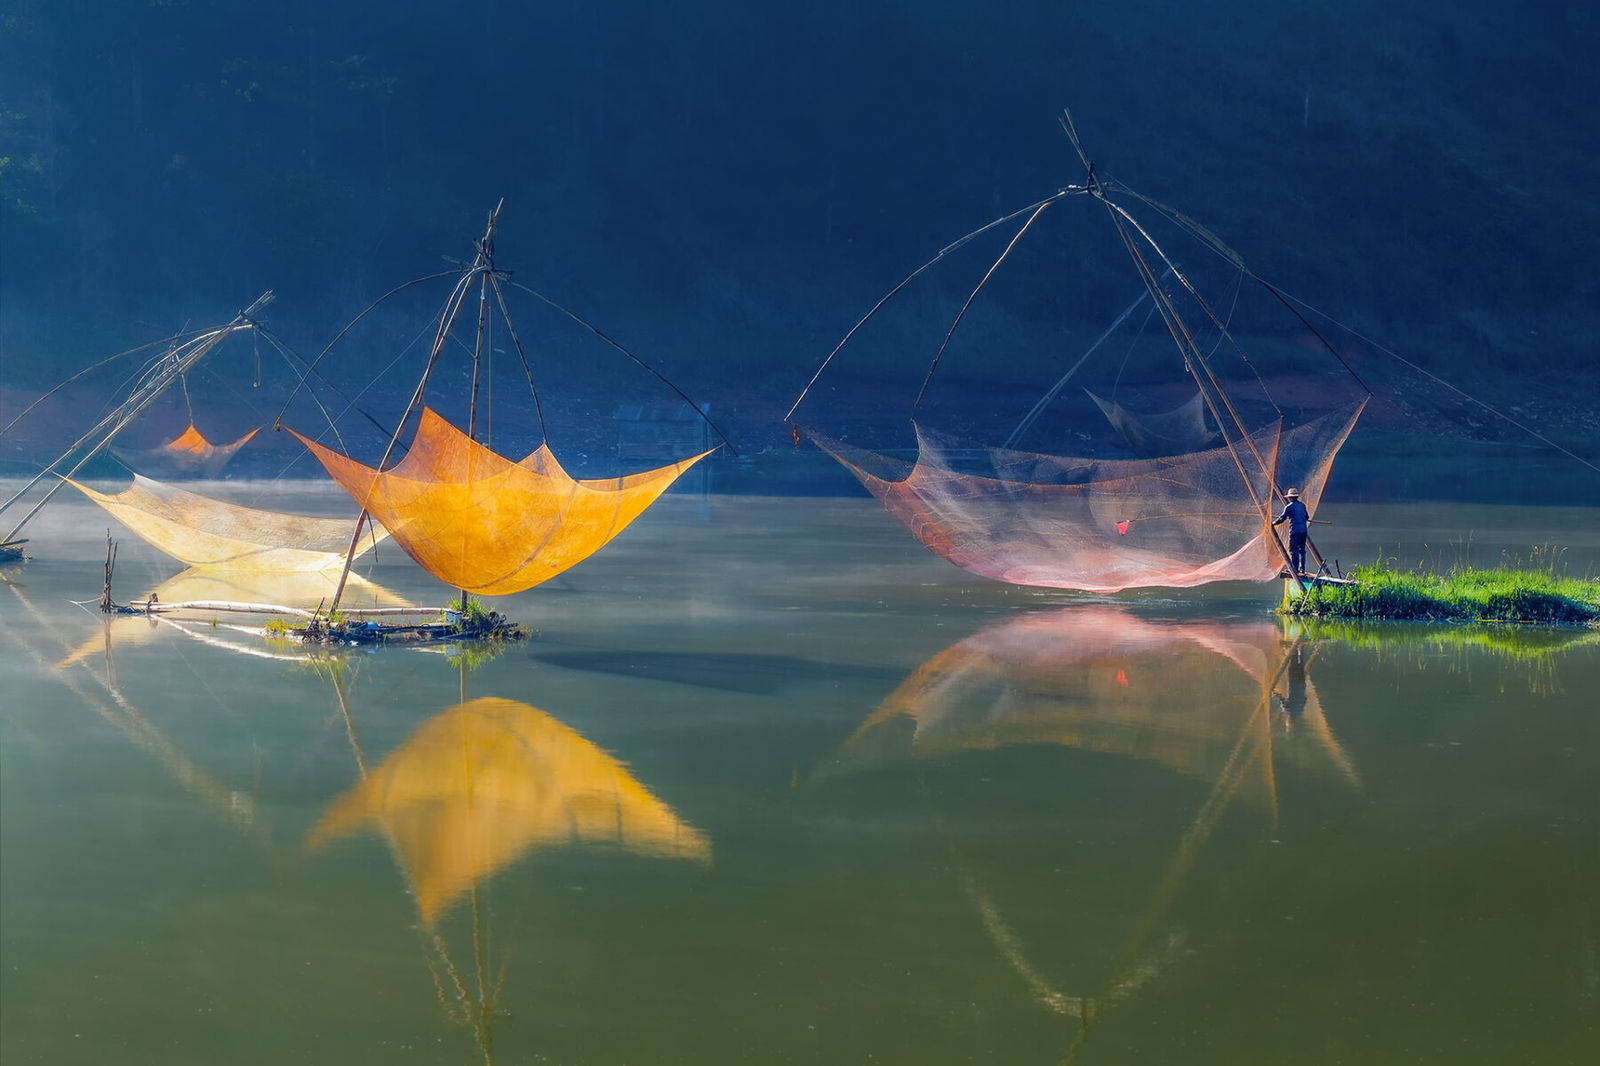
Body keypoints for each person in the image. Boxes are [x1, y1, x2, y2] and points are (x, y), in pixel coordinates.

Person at [1271, 488, 1310, 576]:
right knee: (1302, 550)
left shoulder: (1289, 507)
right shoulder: (1302, 505)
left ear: (1290, 498)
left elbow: (1281, 519)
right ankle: (1302, 569)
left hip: (1295, 530)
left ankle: (1294, 569)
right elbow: (1307, 517)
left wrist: (1273, 523)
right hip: (1304, 530)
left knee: (1293, 550)